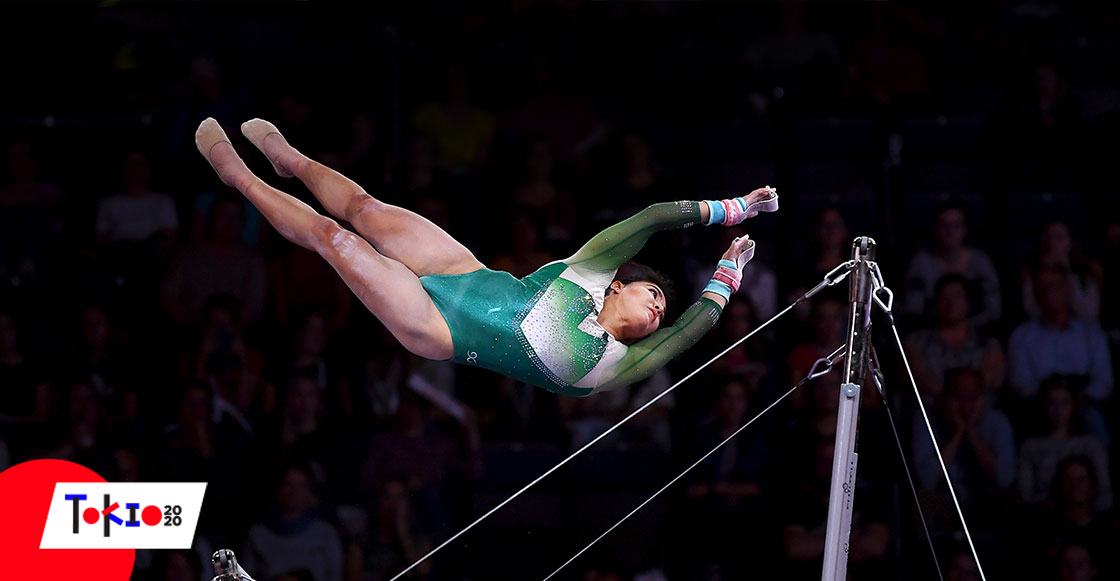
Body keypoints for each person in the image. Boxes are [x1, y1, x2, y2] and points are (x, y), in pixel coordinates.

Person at [194, 117, 777, 396]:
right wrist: (731, 209)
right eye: (652, 293)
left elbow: (693, 328)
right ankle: (290, 160)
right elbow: (652, 218)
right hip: (462, 271)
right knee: (367, 210)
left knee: (338, 239)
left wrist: (730, 272)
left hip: (435, 327)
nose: (656, 309)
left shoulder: (614, 367)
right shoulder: (589, 271)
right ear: (618, 285)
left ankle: (240, 179)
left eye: (660, 310)